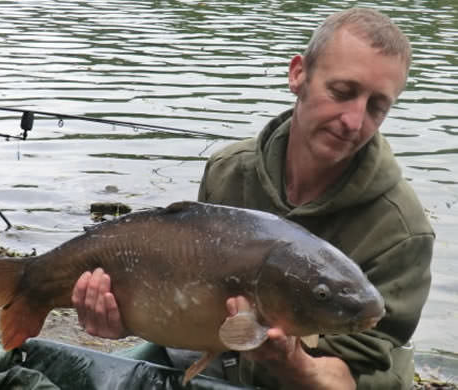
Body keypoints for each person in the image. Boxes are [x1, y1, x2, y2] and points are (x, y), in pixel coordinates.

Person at [71, 7, 434, 390]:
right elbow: (197, 306)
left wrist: (295, 365)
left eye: (377, 107)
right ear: (298, 74)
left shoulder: (403, 232)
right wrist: (128, 315)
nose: (354, 121)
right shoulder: (228, 170)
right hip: (229, 360)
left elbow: (355, 370)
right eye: (341, 92)